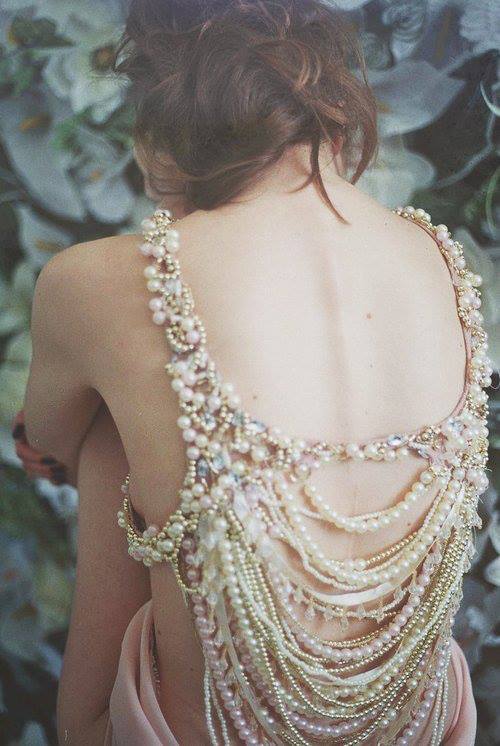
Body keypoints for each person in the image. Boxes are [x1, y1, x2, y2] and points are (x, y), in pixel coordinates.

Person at [16, 1, 490, 744]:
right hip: (419, 726)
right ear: (333, 105)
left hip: (206, 729)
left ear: (162, 113)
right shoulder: (438, 258)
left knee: (112, 434)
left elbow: (44, 446)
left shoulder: (105, 278)